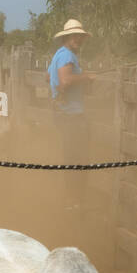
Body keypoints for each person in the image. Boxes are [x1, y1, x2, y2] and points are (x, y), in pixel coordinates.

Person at [47, 19, 96, 208]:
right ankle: (75, 201)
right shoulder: (67, 55)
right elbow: (65, 80)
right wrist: (87, 77)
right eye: (75, 36)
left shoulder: (59, 54)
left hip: (63, 112)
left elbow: (49, 76)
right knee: (77, 158)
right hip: (71, 115)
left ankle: (72, 199)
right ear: (67, 37)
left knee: (71, 156)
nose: (78, 39)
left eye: (80, 36)